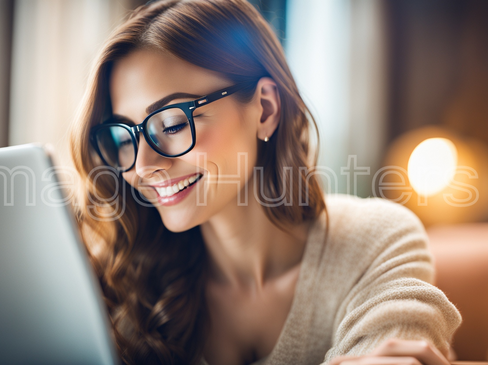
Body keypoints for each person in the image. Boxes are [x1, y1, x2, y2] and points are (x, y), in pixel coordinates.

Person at [69, 0, 461, 364]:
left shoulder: (376, 243)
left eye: (171, 123)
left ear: (266, 109)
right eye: (124, 138)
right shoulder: (123, 283)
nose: (143, 165)